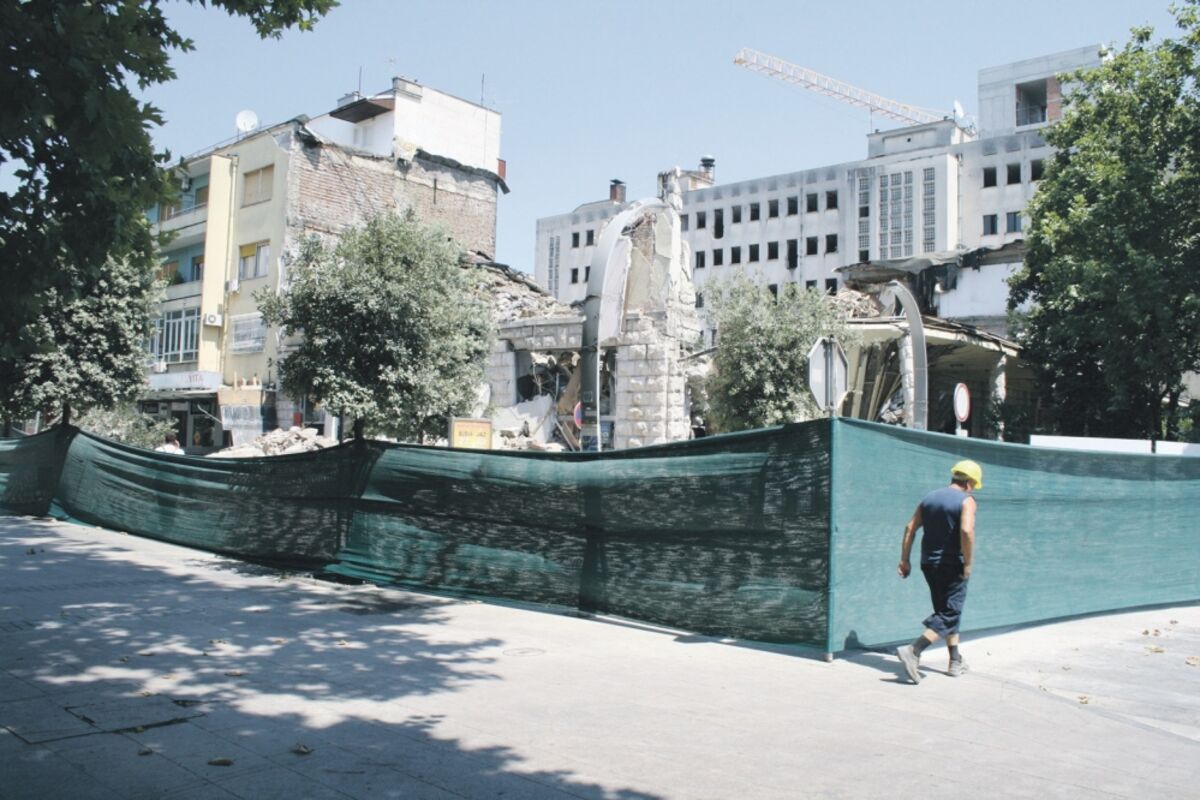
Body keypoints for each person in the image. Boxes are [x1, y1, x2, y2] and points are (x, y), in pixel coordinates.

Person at [895, 460, 982, 684]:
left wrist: (904, 559)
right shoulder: (967, 500)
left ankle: (955, 660)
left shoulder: (929, 498)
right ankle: (914, 650)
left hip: (928, 564)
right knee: (950, 613)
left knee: (946, 611)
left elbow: (910, 527)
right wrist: (968, 563)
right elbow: (966, 530)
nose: (973, 489)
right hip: (953, 565)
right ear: (969, 483)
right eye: (974, 485)